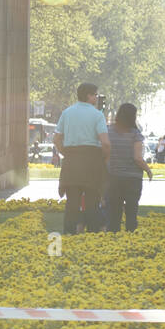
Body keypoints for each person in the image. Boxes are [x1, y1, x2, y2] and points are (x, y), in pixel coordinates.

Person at [54, 82, 111, 235]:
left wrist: (66, 153)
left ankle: (68, 233)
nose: (97, 97)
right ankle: (92, 234)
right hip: (91, 160)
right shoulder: (97, 115)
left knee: (72, 202)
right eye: (95, 94)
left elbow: (57, 138)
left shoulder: (67, 113)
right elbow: (105, 142)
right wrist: (105, 158)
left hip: (71, 161)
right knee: (92, 201)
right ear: (89, 96)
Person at [105, 102, 153, 232]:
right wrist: (148, 170)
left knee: (114, 213)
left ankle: (112, 240)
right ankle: (130, 238)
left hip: (113, 177)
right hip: (132, 179)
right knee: (131, 212)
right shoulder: (135, 134)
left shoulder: (108, 131)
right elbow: (137, 157)